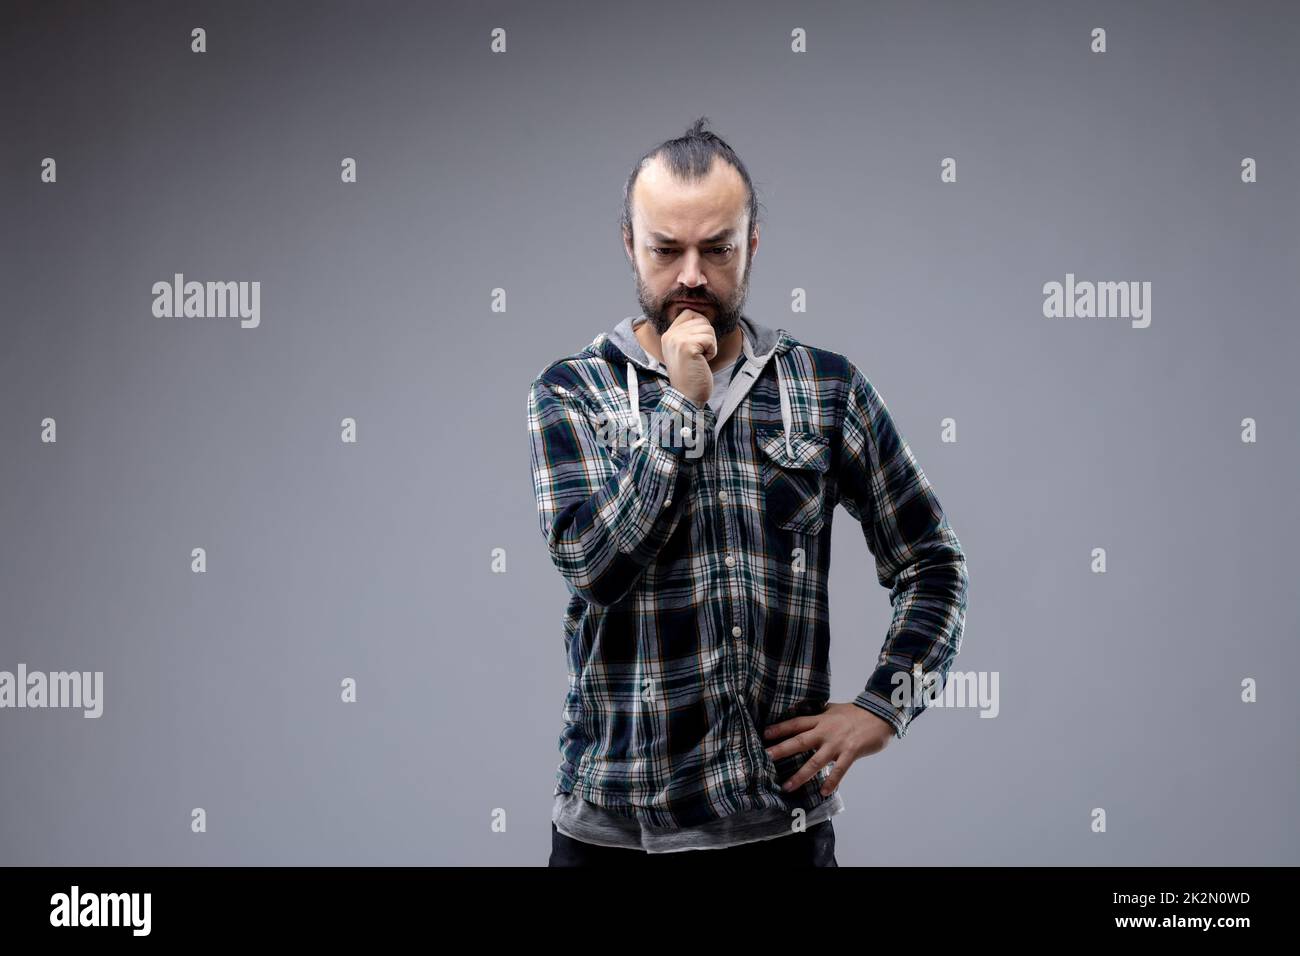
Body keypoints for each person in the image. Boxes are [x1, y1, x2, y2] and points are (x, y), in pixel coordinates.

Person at [527, 117, 969, 867]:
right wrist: (683, 408)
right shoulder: (573, 392)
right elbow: (594, 566)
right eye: (666, 250)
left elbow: (932, 564)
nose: (692, 276)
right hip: (612, 839)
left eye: (718, 249)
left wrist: (883, 707)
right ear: (631, 246)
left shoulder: (825, 388)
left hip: (777, 838)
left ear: (752, 246)